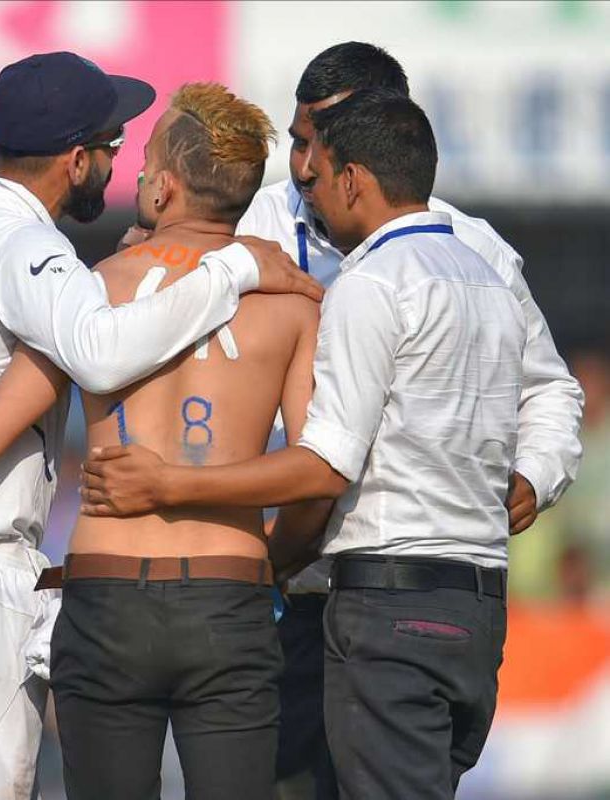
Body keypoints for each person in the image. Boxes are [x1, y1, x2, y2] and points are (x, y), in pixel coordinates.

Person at [0, 52, 319, 800]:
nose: (120, 165)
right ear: (75, 160)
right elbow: (98, 357)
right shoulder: (39, 258)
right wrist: (233, 268)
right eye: (111, 147)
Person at [78, 90, 557, 798]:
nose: (308, 186)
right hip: (473, 604)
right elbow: (551, 390)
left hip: (373, 601)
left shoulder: (364, 282)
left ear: (353, 179)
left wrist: (171, 486)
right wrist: (538, 473)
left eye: (319, 168)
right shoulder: (488, 275)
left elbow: (324, 466)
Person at [231, 41, 585, 800]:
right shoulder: (251, 225)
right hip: (289, 596)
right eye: (295, 141)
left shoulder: (471, 248)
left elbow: (550, 390)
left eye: (317, 143)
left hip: (374, 587)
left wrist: (534, 475)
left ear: (367, 147)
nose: (300, 166)